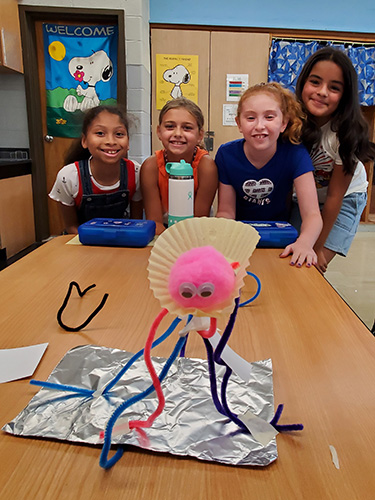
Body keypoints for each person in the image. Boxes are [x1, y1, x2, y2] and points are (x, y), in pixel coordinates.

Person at [216, 82, 322, 268]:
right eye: (250, 118)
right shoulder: (226, 155)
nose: (259, 125)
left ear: (283, 123)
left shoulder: (296, 154)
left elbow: (312, 214)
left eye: (269, 117)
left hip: (279, 240)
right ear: (239, 124)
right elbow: (226, 211)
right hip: (240, 240)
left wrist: (304, 244)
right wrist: (224, 243)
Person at [295, 47, 375, 273]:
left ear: (345, 95)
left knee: (309, 265)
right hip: (304, 198)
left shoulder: (343, 134)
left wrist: (317, 247)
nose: (322, 92)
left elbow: (334, 197)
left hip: (344, 199)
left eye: (334, 88)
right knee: (290, 254)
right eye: (315, 82)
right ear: (303, 83)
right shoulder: (291, 121)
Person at [49, 105, 143, 234]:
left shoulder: (136, 172)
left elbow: (135, 223)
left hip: (121, 239)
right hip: (82, 241)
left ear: (128, 143)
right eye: (100, 133)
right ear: (84, 141)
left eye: (119, 134)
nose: (111, 141)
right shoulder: (69, 177)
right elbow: (71, 227)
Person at [140, 97, 218, 235]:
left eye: (187, 128)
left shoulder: (206, 167)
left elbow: (198, 222)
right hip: (161, 232)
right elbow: (155, 223)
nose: (177, 134)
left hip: (195, 231)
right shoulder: (150, 167)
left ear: (200, 135)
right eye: (170, 126)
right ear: (159, 131)